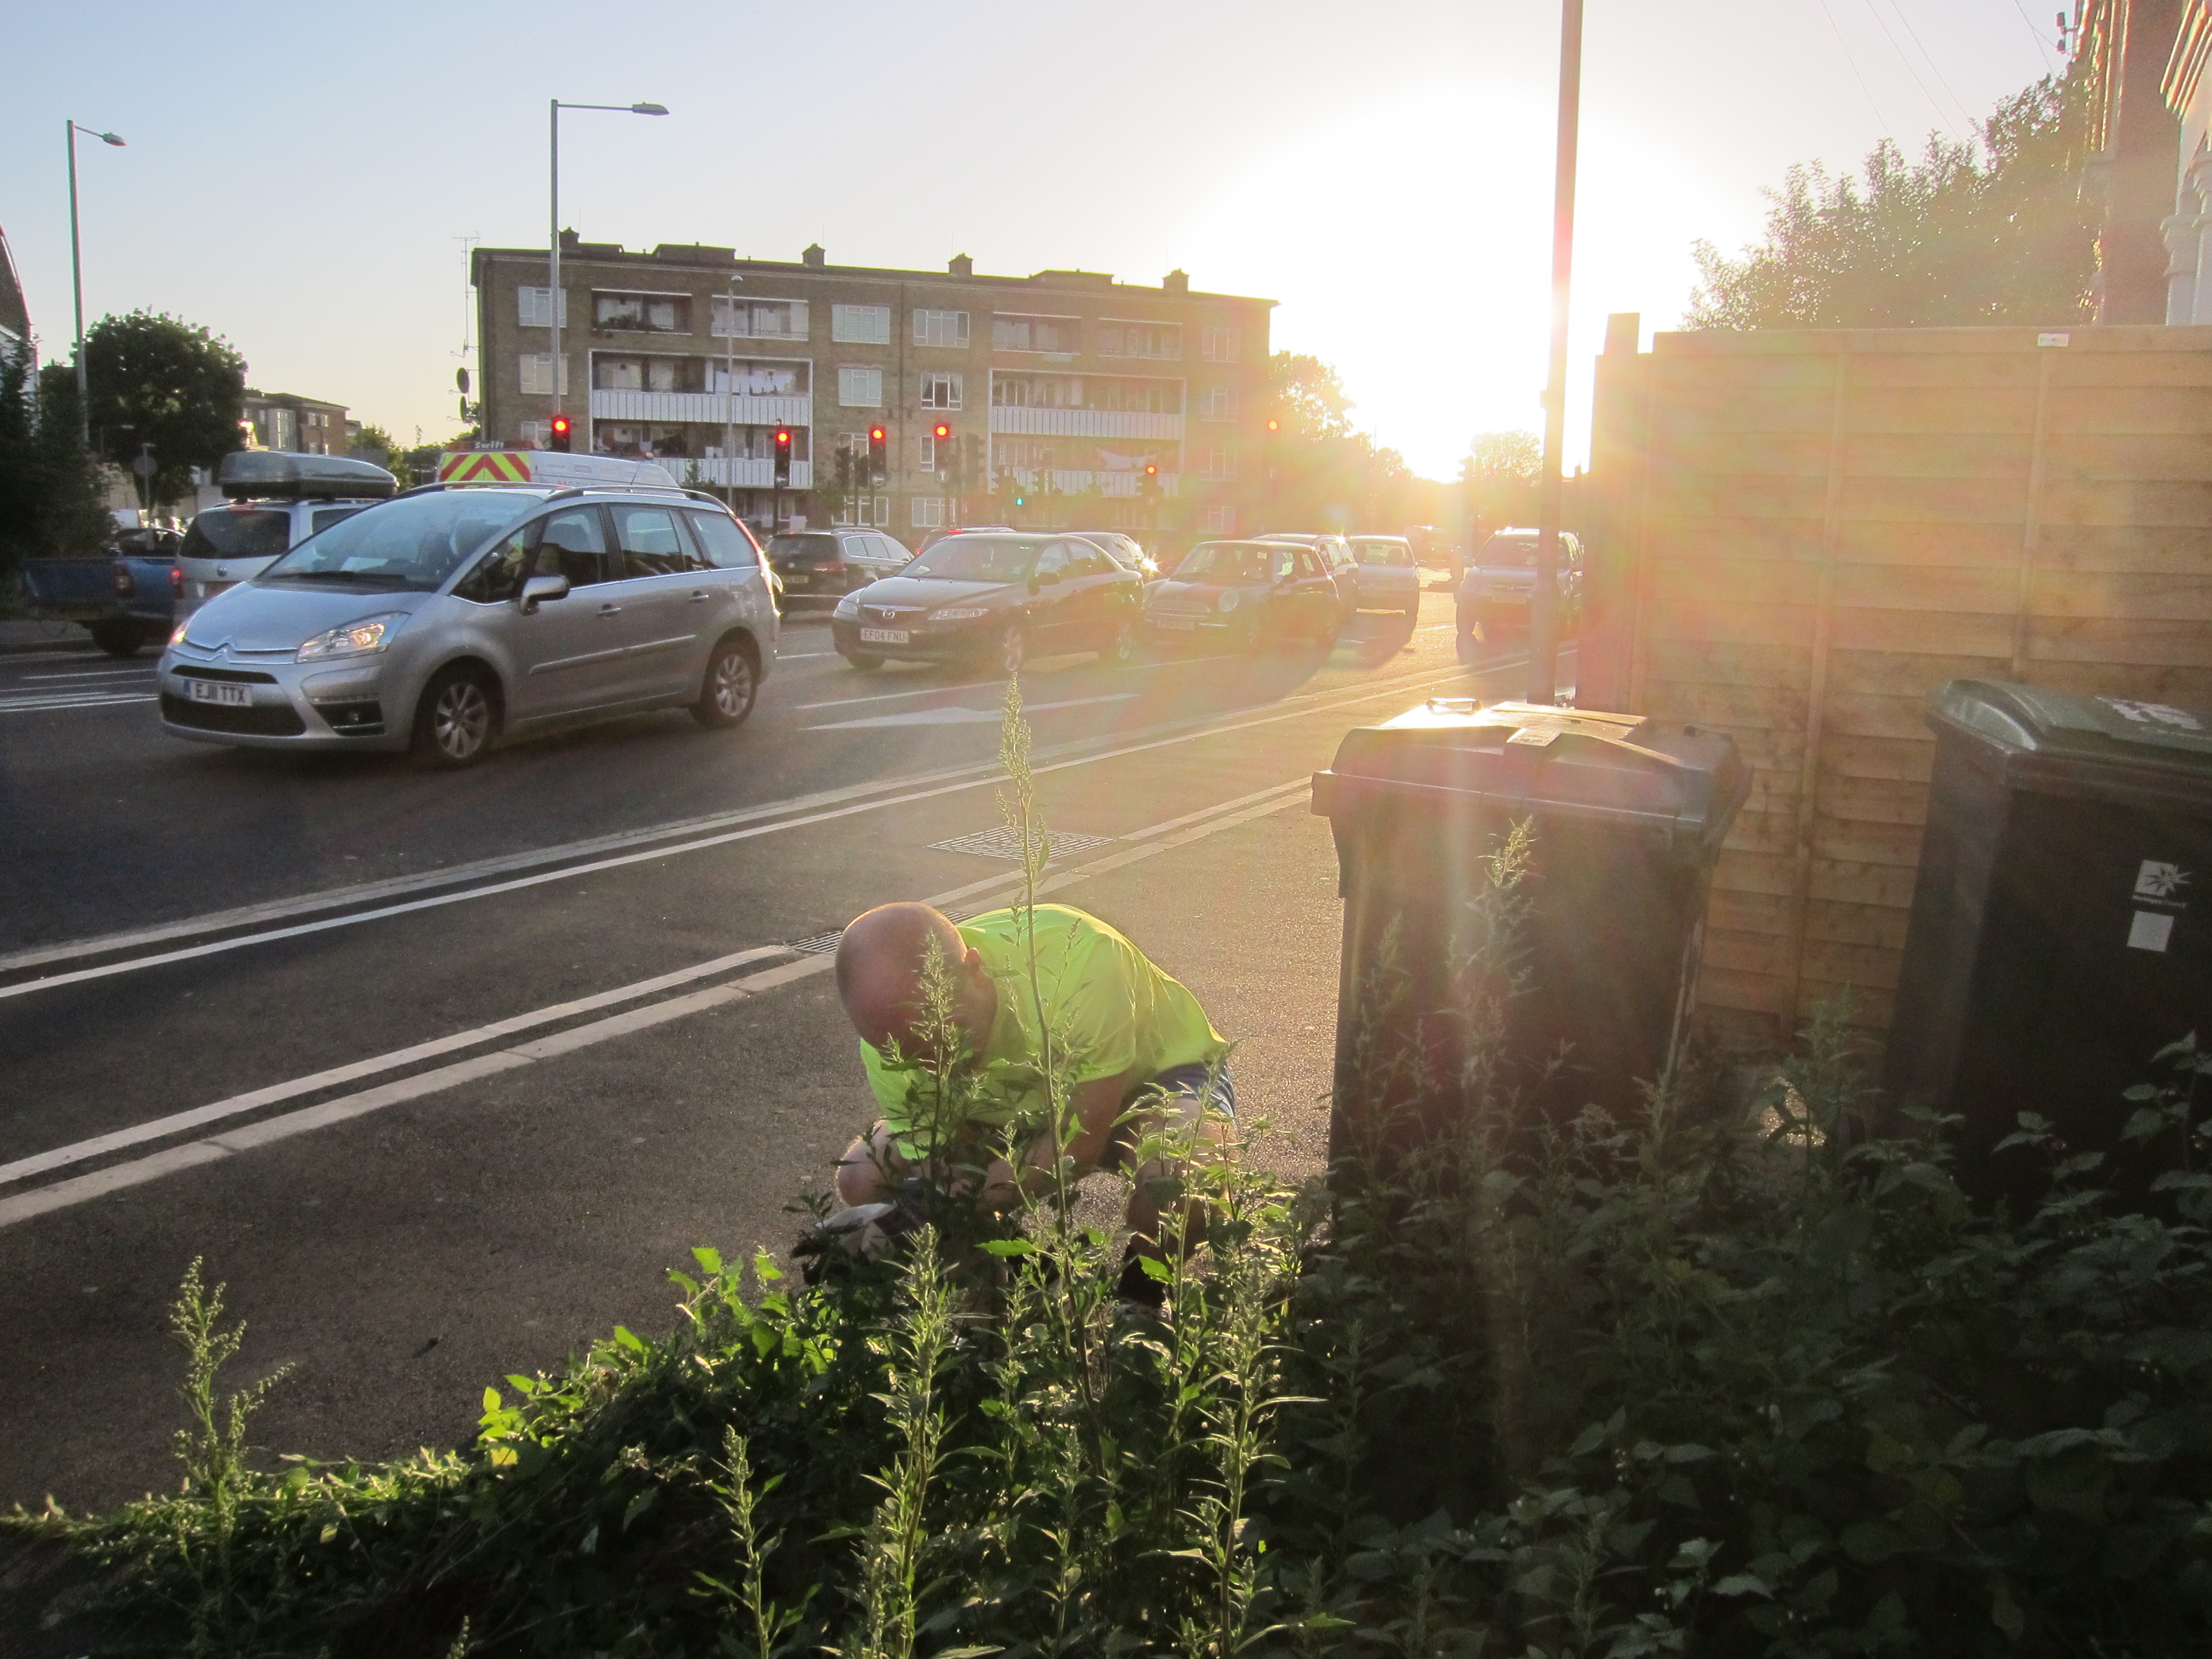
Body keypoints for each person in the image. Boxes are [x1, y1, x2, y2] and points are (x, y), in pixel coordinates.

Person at [827, 900, 1234, 1299]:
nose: (936, 1067)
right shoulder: (888, 1045)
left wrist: (923, 1214)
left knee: (1174, 1182)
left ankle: (1139, 1298)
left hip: (1150, 1081)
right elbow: (943, 1170)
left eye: (942, 1037)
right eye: (906, 1053)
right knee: (865, 1177)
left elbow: (1076, 1147)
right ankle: (1026, 1276)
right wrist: (919, 1210)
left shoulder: (1081, 963)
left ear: (976, 971)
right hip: (1017, 1108)